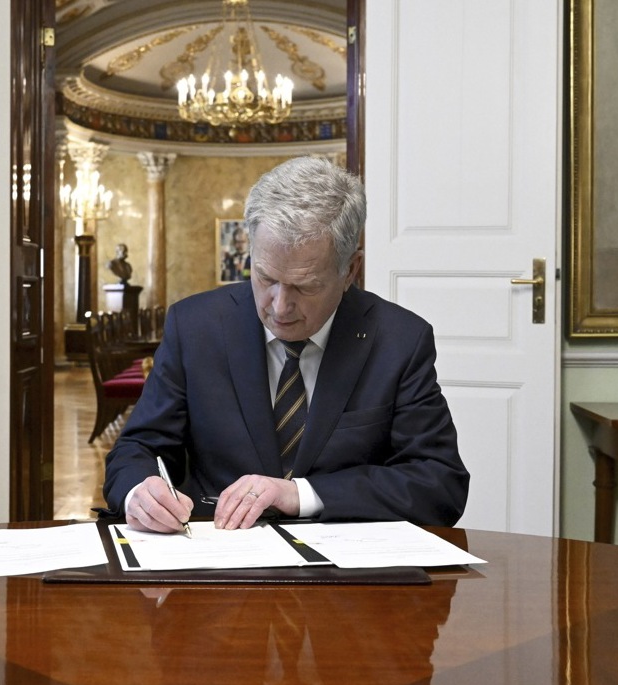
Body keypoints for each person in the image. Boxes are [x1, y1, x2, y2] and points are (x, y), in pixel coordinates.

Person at [103, 156, 468, 533]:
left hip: (347, 574)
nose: (279, 307)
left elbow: (439, 484)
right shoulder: (195, 328)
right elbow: (136, 450)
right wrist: (139, 493)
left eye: (305, 286)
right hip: (217, 562)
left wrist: (301, 494)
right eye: (264, 277)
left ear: (351, 271)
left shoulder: (399, 340)